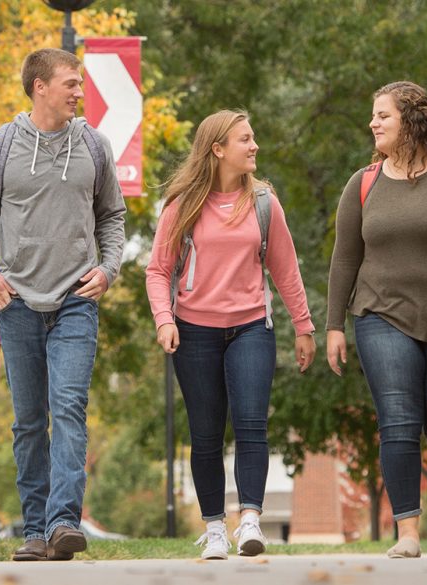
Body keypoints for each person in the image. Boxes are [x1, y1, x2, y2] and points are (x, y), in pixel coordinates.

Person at [0, 48, 125, 561]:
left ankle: (64, 522)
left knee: (69, 408)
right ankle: (34, 528)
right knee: (30, 420)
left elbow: (111, 217)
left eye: (81, 83)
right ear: (40, 87)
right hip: (19, 304)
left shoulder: (95, 146)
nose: (79, 91)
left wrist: (109, 268)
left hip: (76, 300)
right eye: (71, 83)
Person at [326, 81, 427, 558]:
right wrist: (335, 324)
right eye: (373, 116)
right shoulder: (363, 184)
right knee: (398, 419)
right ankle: (407, 533)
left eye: (383, 115)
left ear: (410, 120)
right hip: (380, 313)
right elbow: (344, 259)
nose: (373, 123)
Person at [145, 110, 317, 560]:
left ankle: (250, 521)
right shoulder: (182, 205)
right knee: (205, 434)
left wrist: (304, 326)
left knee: (252, 426)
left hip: (250, 329)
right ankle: (215, 528)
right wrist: (165, 319)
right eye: (245, 139)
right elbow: (158, 270)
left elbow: (286, 270)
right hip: (194, 331)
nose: (254, 145)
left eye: (253, 137)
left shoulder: (263, 203)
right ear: (218, 149)